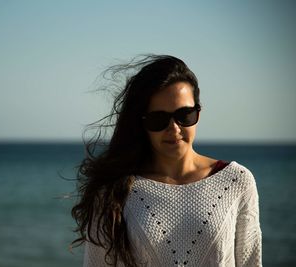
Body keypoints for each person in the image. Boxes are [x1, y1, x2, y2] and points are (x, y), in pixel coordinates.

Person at [71, 55, 262, 266]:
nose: (174, 128)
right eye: (158, 119)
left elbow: (250, 261)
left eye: (184, 114)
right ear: (142, 123)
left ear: (199, 112)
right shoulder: (112, 191)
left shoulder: (236, 181)